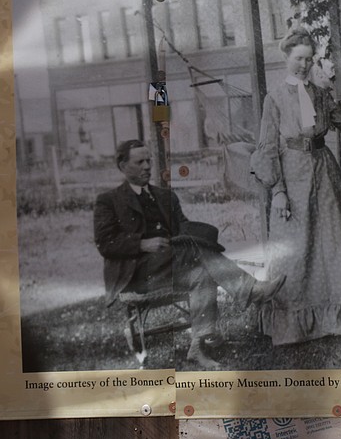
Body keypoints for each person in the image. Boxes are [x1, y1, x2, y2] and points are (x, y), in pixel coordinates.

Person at [250, 27, 341, 346]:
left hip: (324, 172)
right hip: (291, 174)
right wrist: (277, 191)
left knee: (334, 243)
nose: (304, 65)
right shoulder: (274, 98)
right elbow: (265, 148)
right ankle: (292, 324)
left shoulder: (321, 95)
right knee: (296, 247)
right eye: (298, 59)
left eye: (308, 59)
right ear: (287, 58)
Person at [94, 139, 286, 370]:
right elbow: (106, 243)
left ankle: (197, 347)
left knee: (202, 273)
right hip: (137, 274)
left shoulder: (165, 196)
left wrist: (199, 234)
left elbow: (183, 228)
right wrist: (142, 244)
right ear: (122, 166)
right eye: (139, 162)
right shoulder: (108, 201)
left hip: (172, 267)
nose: (147, 166)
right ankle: (250, 289)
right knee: (193, 248)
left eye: (149, 161)